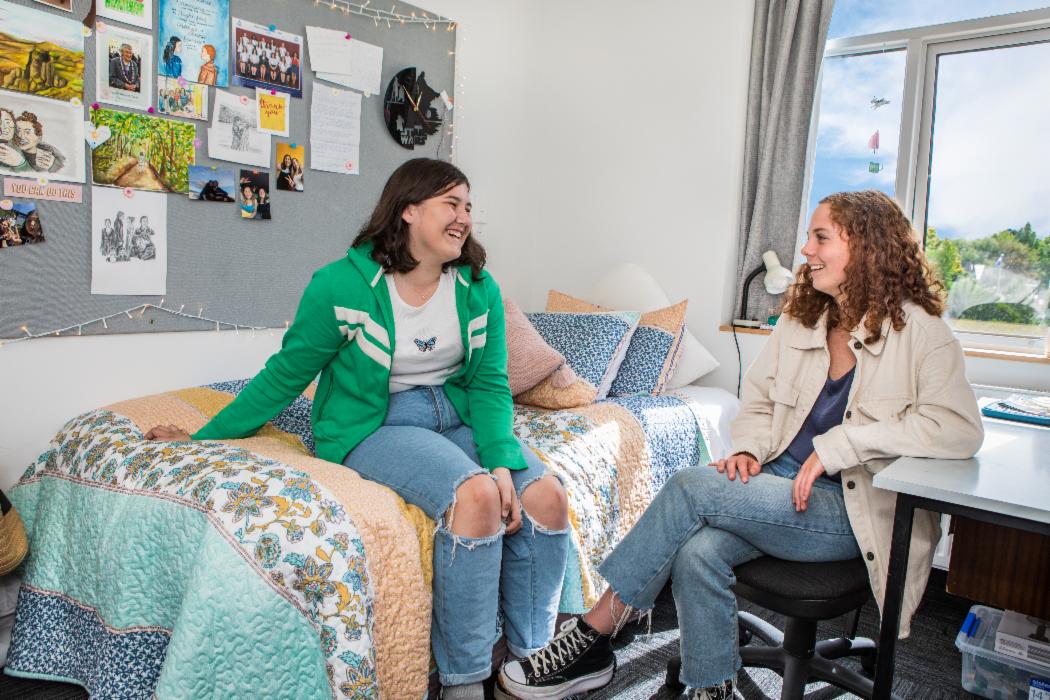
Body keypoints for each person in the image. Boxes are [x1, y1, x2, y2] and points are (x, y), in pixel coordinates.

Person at [497, 190, 985, 700]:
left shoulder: (922, 333)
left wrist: (842, 446)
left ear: (865, 246)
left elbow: (959, 429)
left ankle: (592, 638)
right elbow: (756, 401)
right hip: (778, 485)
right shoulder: (804, 319)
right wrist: (750, 449)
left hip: (851, 507)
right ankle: (714, 689)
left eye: (820, 238)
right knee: (697, 553)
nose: (805, 251)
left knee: (689, 486)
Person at [146, 158, 570, 699]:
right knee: (477, 495)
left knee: (548, 496)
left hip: (457, 413)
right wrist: (204, 438)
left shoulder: (476, 286)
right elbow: (286, 374)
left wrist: (503, 456)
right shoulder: (341, 285)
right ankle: (467, 681)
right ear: (410, 210)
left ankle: (532, 663)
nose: (464, 217)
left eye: (469, 206)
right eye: (452, 204)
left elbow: (488, 385)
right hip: (380, 422)